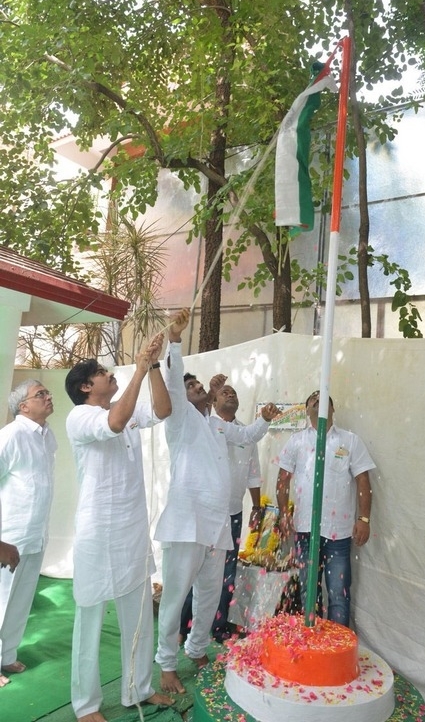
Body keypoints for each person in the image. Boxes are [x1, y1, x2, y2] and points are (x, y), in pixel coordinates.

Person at [155, 307, 279, 695]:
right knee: (176, 597)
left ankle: (197, 649)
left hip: (217, 523)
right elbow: (175, 383)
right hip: (186, 522)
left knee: (210, 593)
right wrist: (175, 339)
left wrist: (267, 419)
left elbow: (248, 438)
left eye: (200, 388)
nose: (199, 391)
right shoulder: (179, 420)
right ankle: (166, 664)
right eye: (194, 389)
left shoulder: (218, 426)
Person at [65, 335, 173, 722]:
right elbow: (114, 422)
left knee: (140, 613)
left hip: (131, 530)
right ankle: (86, 705)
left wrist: (155, 365)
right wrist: (139, 368)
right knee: (90, 619)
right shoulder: (80, 416)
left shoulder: (122, 408)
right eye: (101, 373)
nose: (110, 374)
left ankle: (138, 689)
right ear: (85, 387)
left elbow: (163, 409)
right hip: (97, 533)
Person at [276, 389, 375, 627]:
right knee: (308, 592)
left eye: (324, 400)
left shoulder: (350, 441)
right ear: (306, 409)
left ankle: (336, 648)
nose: (318, 402)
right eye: (313, 399)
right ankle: (313, 643)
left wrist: (364, 519)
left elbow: (363, 480)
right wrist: (284, 514)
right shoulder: (296, 441)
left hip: (338, 533)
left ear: (333, 409)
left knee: (339, 592)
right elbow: (283, 478)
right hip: (304, 528)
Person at [0, 380, 57, 688]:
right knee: (0, 600)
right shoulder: (11, 436)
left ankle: (7, 655)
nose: (48, 397)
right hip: (8, 538)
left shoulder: (46, 436)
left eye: (47, 393)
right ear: (23, 406)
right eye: (41, 394)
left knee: (20, 602)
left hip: (35, 535)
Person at [210, 383, 263, 642]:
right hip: (207, 514)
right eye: (224, 392)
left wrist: (257, 507)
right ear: (213, 400)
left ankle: (219, 626)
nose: (230, 394)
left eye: (234, 393)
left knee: (228, 572)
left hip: (233, 513)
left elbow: (253, 472)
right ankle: (185, 627)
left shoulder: (247, 433)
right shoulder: (206, 427)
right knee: (199, 570)